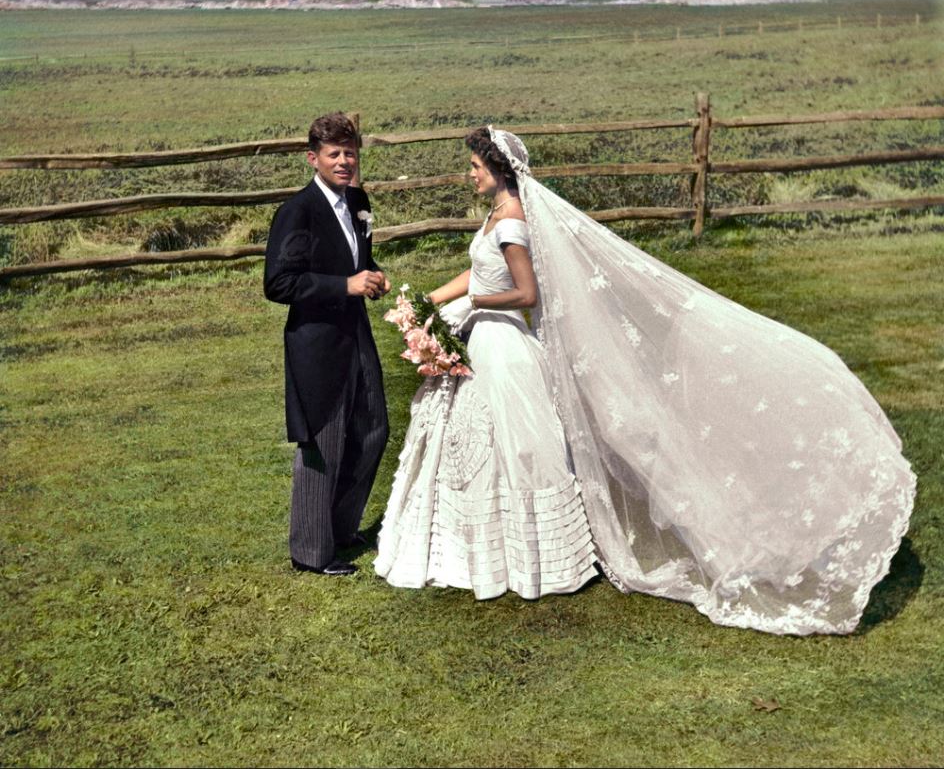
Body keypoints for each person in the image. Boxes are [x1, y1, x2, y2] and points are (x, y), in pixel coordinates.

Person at [374, 126, 917, 635]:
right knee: (480, 441)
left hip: (504, 341)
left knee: (513, 445)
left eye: (475, 166)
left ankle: (530, 557)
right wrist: (435, 300)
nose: (469, 174)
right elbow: (481, 268)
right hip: (485, 337)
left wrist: (474, 303)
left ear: (499, 170)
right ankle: (482, 549)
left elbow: (525, 293)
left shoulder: (513, 218)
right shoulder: (496, 214)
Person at [264, 111, 390, 576]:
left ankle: (340, 529)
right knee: (324, 441)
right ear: (312, 158)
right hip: (316, 343)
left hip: (355, 332)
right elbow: (278, 283)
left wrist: (371, 276)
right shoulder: (298, 211)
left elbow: (357, 257)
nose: (344, 162)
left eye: (350, 153)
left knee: (374, 429)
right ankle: (312, 553)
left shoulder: (357, 199)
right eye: (334, 154)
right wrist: (344, 286)